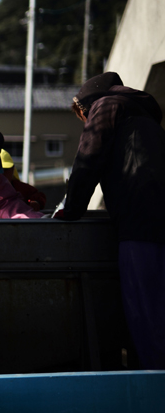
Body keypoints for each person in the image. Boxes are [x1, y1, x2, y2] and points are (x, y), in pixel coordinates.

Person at [54, 72, 165, 369]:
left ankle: (154, 392)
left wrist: (71, 208)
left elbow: (88, 159)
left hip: (140, 225)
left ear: (84, 106)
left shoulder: (105, 106)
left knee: (147, 317)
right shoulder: (145, 117)